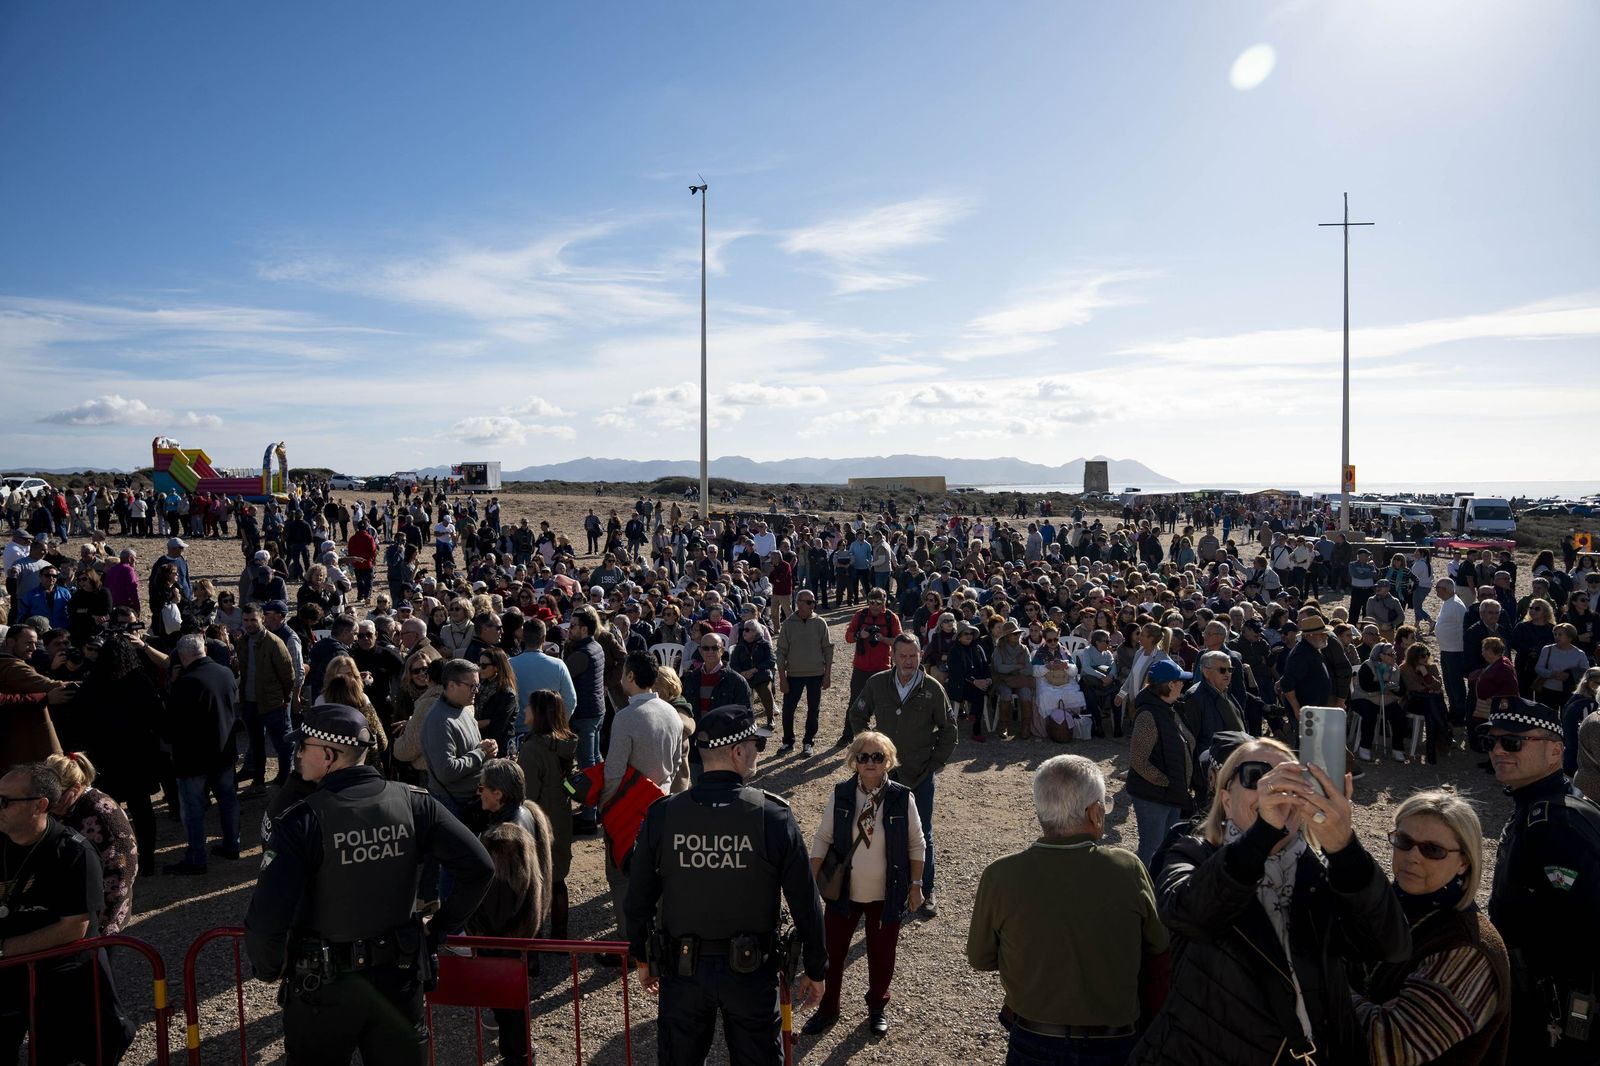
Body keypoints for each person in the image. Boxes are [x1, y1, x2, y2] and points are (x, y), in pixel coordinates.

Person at [1130, 738, 1411, 1065]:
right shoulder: (1190, 853)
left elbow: (1390, 947)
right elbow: (1188, 914)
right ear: (1226, 800)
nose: (1274, 790)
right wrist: (1262, 834)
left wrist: (1345, 850)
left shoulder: (1318, 874)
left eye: (1291, 779)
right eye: (1256, 776)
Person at [244, 703, 493, 1066]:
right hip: (399, 980)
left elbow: (266, 916)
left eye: (304, 746)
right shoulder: (414, 803)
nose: (297, 754)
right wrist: (438, 929)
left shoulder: (302, 820)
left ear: (329, 754)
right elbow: (479, 867)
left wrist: (269, 968)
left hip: (324, 989)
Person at [624, 704, 827, 1066]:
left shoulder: (664, 814)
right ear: (737, 752)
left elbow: (638, 896)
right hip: (751, 973)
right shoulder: (772, 816)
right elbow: (805, 902)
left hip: (682, 971)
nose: (757, 754)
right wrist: (816, 968)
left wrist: (642, 956)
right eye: (756, 746)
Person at [968, 754, 1168, 1066]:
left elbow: (980, 958)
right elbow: (1158, 946)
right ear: (1095, 812)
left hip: (1033, 1038)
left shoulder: (1000, 875)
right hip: (1115, 1043)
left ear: (1040, 810)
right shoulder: (1128, 868)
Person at [1352, 789, 1511, 1065]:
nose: (1413, 856)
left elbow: (1390, 1048)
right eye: (1403, 841)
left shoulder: (1468, 949)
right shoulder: (1389, 908)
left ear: (1463, 862)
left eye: (1432, 850)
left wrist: (1319, 984)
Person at [1483, 695, 1600, 1063]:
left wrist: (1573, 1014)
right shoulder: (1542, 807)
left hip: (1555, 1009)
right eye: (1493, 741)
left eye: (1513, 741)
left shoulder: (1555, 824)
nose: (1499, 750)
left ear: (1555, 752)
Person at [0, 762, 135, 1065]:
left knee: (54, 1055)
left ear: (40, 805)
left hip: (58, 978)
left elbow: (73, 927)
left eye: (5, 801)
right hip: (10, 976)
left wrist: (4, 950)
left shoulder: (74, 852)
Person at [804, 731, 924, 1037]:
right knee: (833, 952)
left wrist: (915, 885)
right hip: (844, 893)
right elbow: (823, 838)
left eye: (877, 757)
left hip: (888, 893)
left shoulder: (902, 797)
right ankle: (828, 1008)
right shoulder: (841, 793)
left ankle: (876, 1008)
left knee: (882, 956)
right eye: (863, 756)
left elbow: (916, 844)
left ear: (888, 761)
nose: (870, 762)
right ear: (854, 761)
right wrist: (810, 882)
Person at [848, 632, 956, 916]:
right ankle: (883, 887)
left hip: (919, 775)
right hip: (883, 775)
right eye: (902, 656)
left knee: (922, 834)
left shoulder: (932, 689)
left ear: (921, 655)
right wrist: (870, 751)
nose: (908, 661)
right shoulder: (877, 683)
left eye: (913, 655)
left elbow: (949, 731)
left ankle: (925, 890)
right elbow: (857, 714)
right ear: (892, 657)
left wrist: (933, 764)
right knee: (879, 828)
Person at [601, 652, 682, 946]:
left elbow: (613, 771)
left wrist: (605, 807)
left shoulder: (625, 717)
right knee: (659, 874)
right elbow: (675, 762)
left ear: (631, 677)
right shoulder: (671, 712)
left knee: (621, 876)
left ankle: (630, 940)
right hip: (662, 804)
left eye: (624, 673)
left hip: (627, 811)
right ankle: (659, 935)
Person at [163, 633, 241, 875]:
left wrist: (172, 686)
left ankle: (197, 858)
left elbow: (172, 724)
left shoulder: (185, 683)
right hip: (223, 753)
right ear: (204, 649)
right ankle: (232, 845)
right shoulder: (225, 673)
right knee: (228, 802)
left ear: (183, 656)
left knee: (194, 810)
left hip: (193, 760)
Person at [45, 751, 138, 936]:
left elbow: (120, 875)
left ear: (76, 787)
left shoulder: (103, 815)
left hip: (99, 918)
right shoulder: (68, 806)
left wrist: (100, 924)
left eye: (57, 797)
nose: (49, 804)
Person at [1128, 659, 1201, 871]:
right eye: (1180, 681)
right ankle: (1143, 892)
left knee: (1166, 847)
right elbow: (1138, 760)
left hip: (1171, 793)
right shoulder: (1148, 715)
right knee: (1151, 849)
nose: (1183, 685)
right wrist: (1165, 782)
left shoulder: (1169, 708)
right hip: (1153, 796)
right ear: (1170, 684)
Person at [517, 689, 575, 939]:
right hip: (561, 818)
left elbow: (527, 793)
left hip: (538, 823)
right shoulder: (565, 742)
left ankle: (536, 945)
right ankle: (560, 935)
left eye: (528, 707)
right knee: (559, 879)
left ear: (539, 713)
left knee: (537, 884)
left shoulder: (532, 749)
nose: (523, 711)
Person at [775, 589, 832, 756]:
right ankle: (788, 741)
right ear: (798, 603)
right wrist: (782, 678)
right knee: (788, 709)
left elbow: (827, 650)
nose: (811, 605)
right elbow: (781, 652)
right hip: (794, 675)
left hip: (816, 674)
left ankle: (808, 742)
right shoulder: (788, 624)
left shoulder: (820, 623)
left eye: (812, 602)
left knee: (814, 709)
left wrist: (827, 675)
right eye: (808, 602)